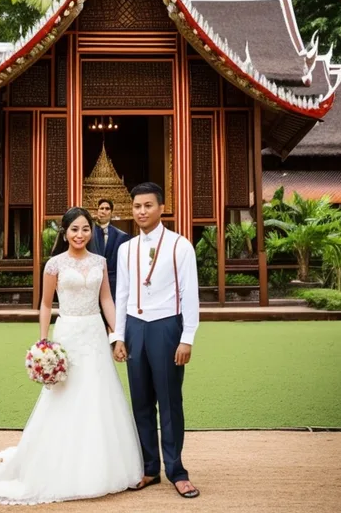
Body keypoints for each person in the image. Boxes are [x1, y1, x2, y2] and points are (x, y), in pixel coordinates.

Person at [0, 206, 143, 505]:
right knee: (64, 396)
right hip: (68, 334)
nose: (80, 234)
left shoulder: (100, 261)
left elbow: (107, 299)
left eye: (86, 229)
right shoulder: (54, 265)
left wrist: (117, 333)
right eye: (74, 229)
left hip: (95, 335)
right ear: (65, 231)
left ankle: (102, 466)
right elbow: (46, 304)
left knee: (99, 395)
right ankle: (57, 464)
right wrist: (43, 342)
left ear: (91, 231)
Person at [109, 182, 200, 499]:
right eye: (137, 206)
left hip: (166, 326)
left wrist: (187, 337)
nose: (141, 211)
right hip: (135, 327)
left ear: (161, 207)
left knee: (170, 401)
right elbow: (121, 295)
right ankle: (150, 468)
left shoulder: (180, 245)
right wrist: (118, 335)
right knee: (142, 402)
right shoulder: (125, 248)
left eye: (148, 205)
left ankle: (177, 471)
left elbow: (190, 294)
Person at [89, 198, 130, 300]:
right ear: (97, 211)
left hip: (112, 283)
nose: (103, 211)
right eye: (101, 208)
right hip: (91, 280)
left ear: (111, 212)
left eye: (107, 209)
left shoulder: (121, 236)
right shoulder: (88, 232)